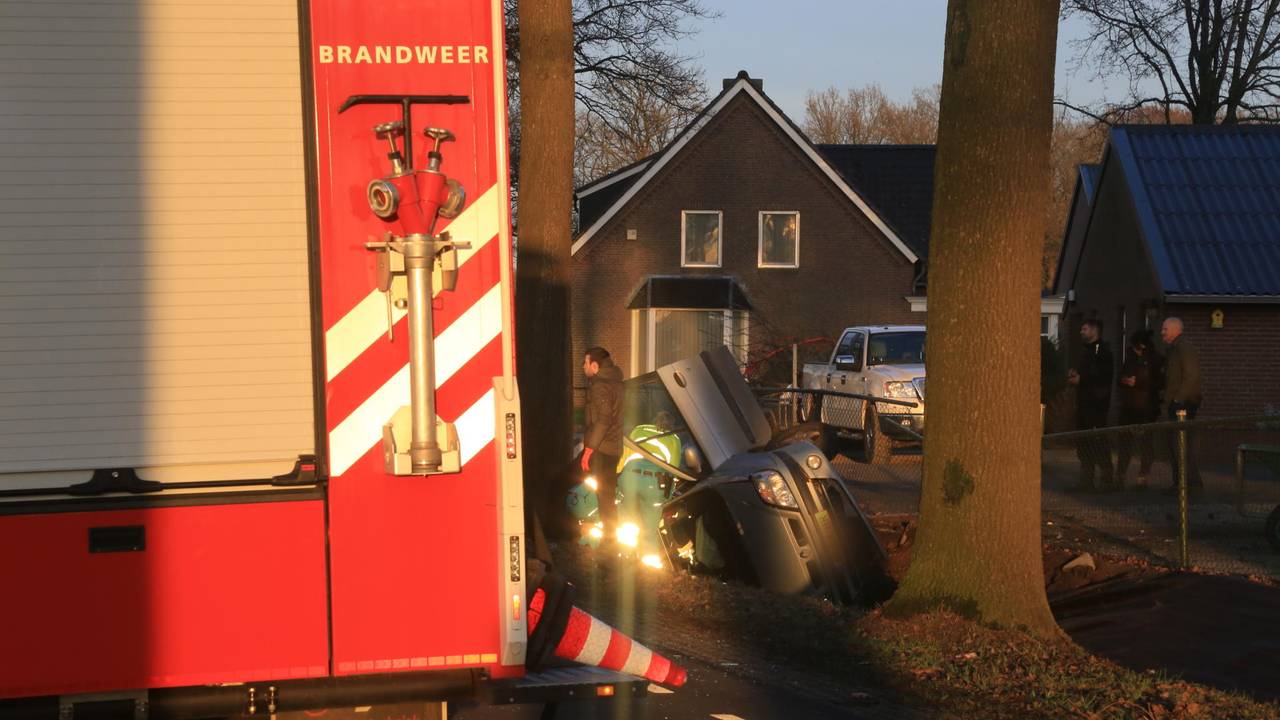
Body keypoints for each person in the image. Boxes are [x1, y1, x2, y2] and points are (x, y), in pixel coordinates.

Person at [581, 346, 624, 549]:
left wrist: (589, 449)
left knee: (605, 497)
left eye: (585, 363)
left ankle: (609, 543)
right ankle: (609, 540)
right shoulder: (617, 382)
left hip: (603, 449)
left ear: (595, 366)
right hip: (614, 447)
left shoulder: (600, 386)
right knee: (606, 495)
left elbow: (604, 419)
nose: (583, 367)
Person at [1067, 319, 1115, 492]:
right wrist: (1075, 376)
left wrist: (1083, 380)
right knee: (1084, 441)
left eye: (1084, 329)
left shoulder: (1102, 352)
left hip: (1097, 405)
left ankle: (1107, 479)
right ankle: (1086, 480)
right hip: (1084, 404)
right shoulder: (1085, 352)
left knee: (1098, 439)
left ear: (1094, 331)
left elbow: (1103, 377)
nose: (1081, 331)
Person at [1161, 317, 1203, 494]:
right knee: (1176, 445)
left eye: (1165, 329)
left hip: (1183, 404)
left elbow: (1191, 375)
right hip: (1177, 402)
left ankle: (1188, 484)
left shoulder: (1183, 348)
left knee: (1181, 444)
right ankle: (1181, 482)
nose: (1162, 332)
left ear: (1176, 329)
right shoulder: (1174, 350)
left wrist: (1178, 399)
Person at [1116, 330, 1162, 489]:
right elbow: (1120, 376)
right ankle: (1120, 475)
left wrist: (1139, 383)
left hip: (1146, 407)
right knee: (1125, 442)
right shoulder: (1130, 357)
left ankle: (1143, 477)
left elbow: (1160, 383)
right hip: (1129, 406)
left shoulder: (1155, 359)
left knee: (1145, 443)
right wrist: (1123, 380)